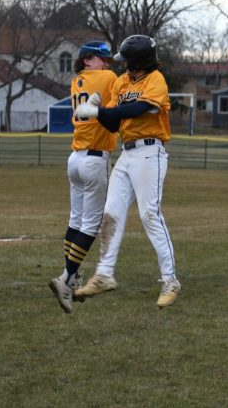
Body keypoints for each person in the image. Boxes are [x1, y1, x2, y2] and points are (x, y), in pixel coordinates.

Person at [73, 34, 181, 309]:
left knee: (149, 214)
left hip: (150, 152)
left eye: (127, 61)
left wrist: (98, 111)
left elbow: (138, 108)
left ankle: (170, 280)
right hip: (127, 153)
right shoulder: (121, 82)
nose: (122, 65)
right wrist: (99, 111)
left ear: (138, 61)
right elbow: (112, 123)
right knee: (111, 213)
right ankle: (104, 274)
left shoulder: (155, 80)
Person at [48, 41, 118, 313]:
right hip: (94, 158)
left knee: (75, 220)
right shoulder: (108, 77)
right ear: (88, 59)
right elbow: (115, 107)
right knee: (90, 225)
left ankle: (71, 275)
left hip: (75, 157)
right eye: (102, 58)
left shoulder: (77, 80)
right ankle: (66, 279)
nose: (107, 63)